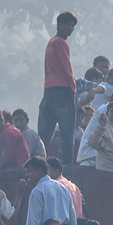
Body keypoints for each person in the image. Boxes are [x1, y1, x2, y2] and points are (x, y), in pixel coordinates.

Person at [37, 11, 77, 165]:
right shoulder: (61, 42)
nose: (71, 28)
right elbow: (66, 67)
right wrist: (73, 88)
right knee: (68, 132)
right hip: (62, 91)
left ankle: (38, 162)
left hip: (48, 91)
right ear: (59, 25)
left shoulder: (51, 42)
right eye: (68, 24)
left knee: (44, 134)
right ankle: (67, 165)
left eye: (72, 25)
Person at [22, 157, 77, 225]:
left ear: (39, 170)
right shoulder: (62, 188)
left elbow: (33, 220)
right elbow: (72, 216)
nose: (26, 175)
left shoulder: (38, 191)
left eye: (29, 171)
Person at [0, 108, 30, 172]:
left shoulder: (7, 133)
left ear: (1, 120)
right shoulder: (7, 131)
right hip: (18, 166)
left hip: (17, 168)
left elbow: (4, 157)